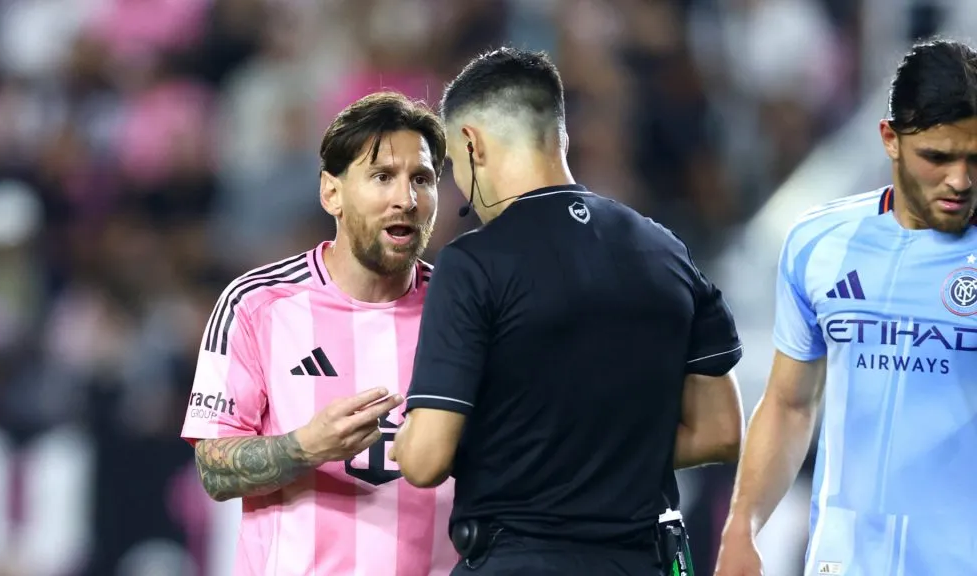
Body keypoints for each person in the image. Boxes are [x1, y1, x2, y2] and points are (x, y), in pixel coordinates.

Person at [389, 48, 745, 575]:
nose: (458, 187)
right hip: (642, 560)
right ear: (560, 136)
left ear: (472, 144)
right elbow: (720, 429)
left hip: (521, 560)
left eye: (452, 168)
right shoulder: (664, 250)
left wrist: (398, 439)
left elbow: (425, 459)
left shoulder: (473, 263)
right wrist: (605, 458)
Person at [715, 39, 977, 576]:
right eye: (937, 156)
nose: (960, 180)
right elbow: (790, 405)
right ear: (890, 140)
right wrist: (742, 527)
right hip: (846, 561)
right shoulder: (819, 242)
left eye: (976, 159)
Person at [180, 91, 459, 575]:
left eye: (422, 179)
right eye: (382, 177)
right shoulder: (256, 304)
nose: (406, 199)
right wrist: (306, 446)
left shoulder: (464, 310)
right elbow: (214, 469)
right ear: (331, 192)